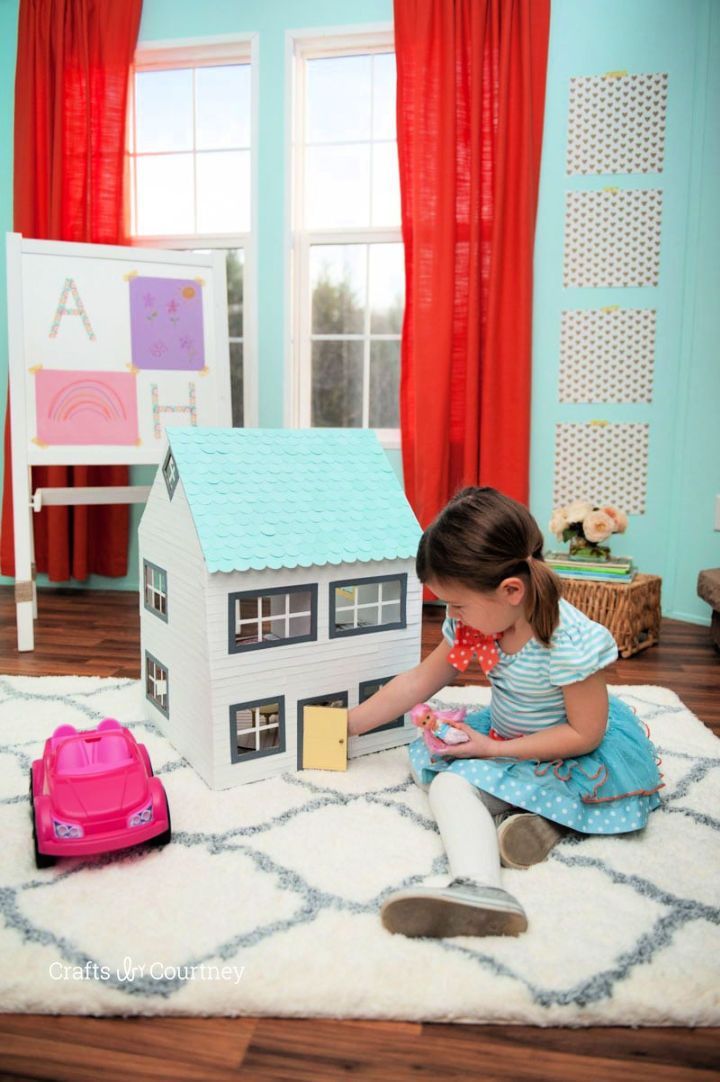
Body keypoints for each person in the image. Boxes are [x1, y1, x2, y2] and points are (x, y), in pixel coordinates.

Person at [347, 487, 663, 939]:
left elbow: (585, 735)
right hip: (511, 737)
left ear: (510, 590)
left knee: (454, 785)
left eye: (457, 603)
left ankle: (480, 887)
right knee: (428, 759)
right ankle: (547, 821)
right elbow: (420, 680)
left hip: (570, 752)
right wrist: (351, 724)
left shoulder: (567, 641)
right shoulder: (478, 622)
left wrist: (494, 749)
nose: (450, 613)